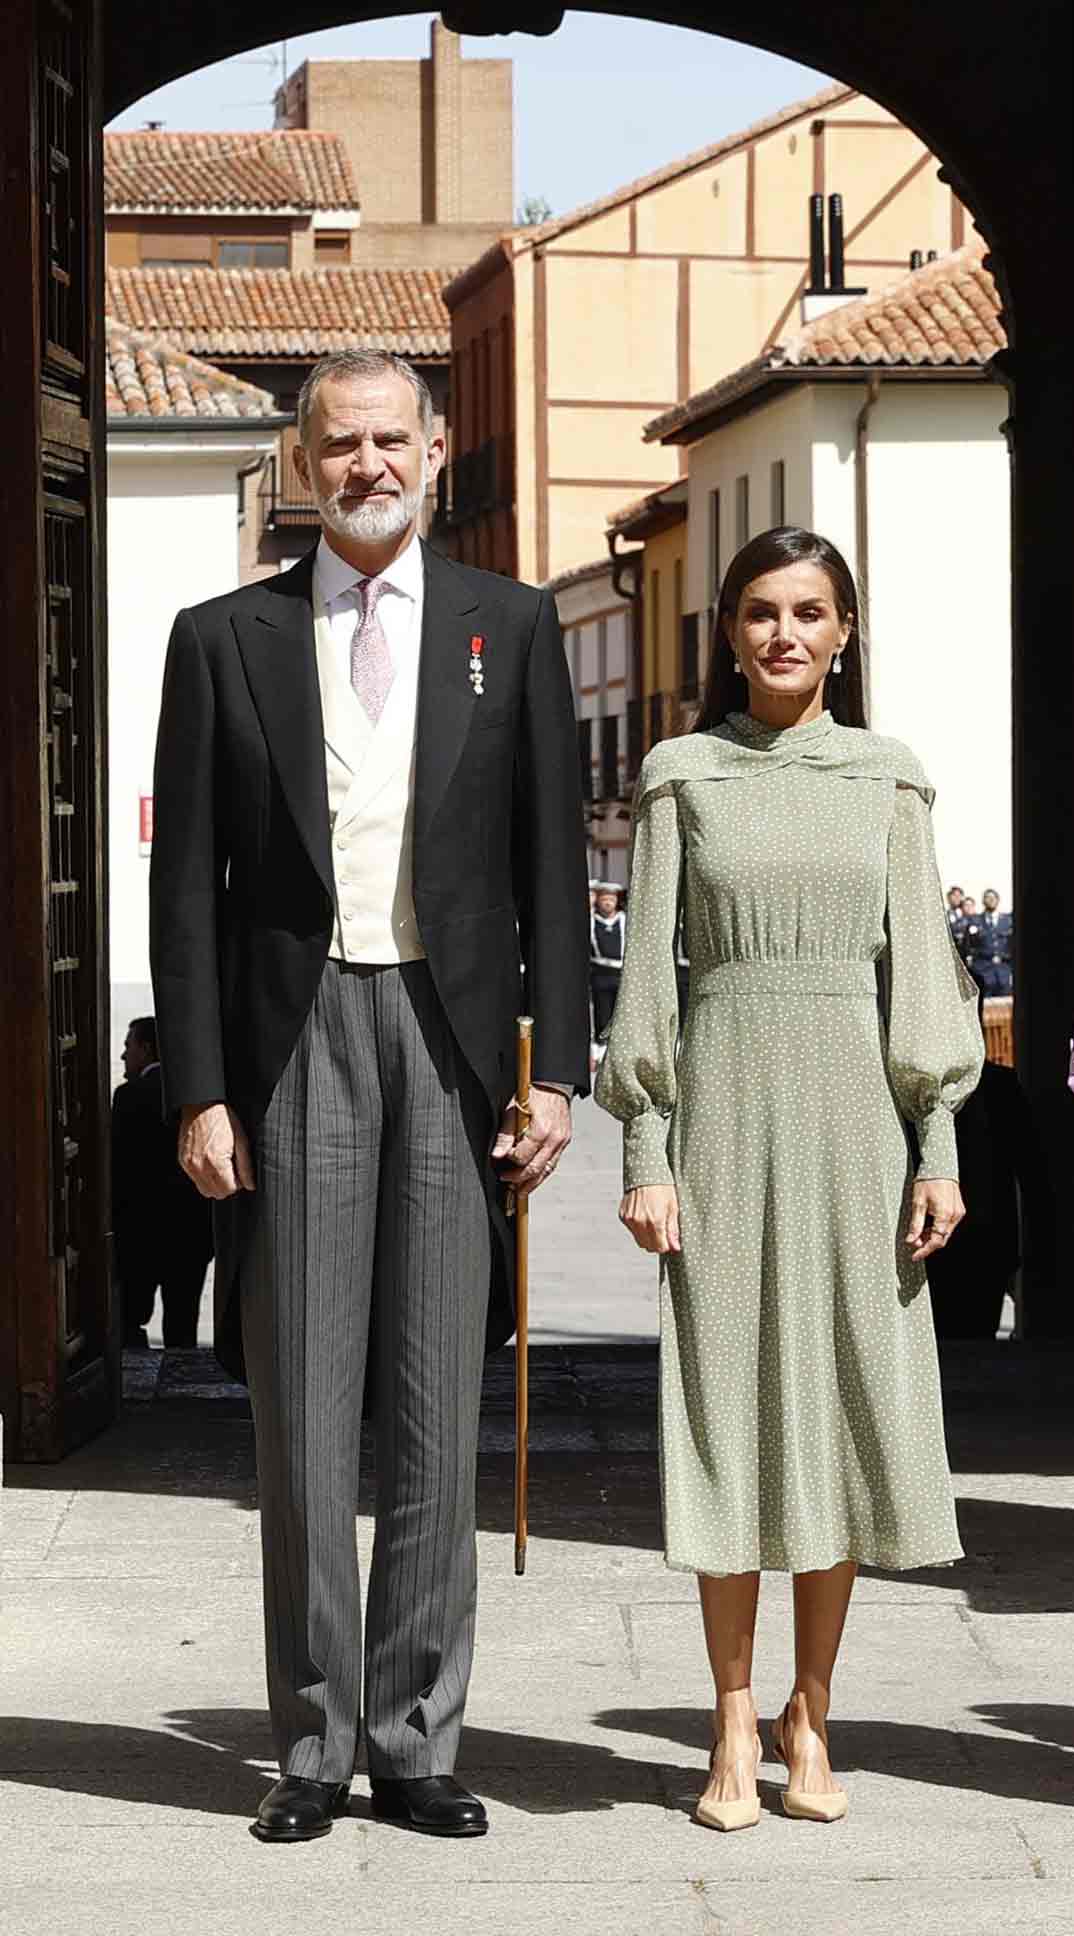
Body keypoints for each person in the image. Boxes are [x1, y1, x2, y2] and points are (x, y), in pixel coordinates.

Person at [150, 349, 590, 1845]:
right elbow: (183, 892)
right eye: (339, 444)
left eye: (391, 439)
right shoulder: (222, 638)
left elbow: (548, 861)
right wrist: (199, 1089)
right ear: (300, 459)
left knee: (429, 1406)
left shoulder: (511, 628)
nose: (368, 466)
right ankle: (313, 1742)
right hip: (291, 1044)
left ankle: (416, 1737)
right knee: (301, 1419)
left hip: (451, 1039)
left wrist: (564, 1073)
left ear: (438, 447)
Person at [596, 525, 983, 1832]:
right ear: (726, 632)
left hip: (857, 1127)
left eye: (808, 612)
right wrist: (645, 1148)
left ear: (843, 631)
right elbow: (648, 976)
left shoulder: (888, 779)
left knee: (835, 1416)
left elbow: (923, 973)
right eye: (759, 612)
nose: (783, 635)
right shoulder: (679, 773)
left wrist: (936, 1143)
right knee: (725, 1411)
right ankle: (725, 1719)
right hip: (721, 1118)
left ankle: (809, 1711)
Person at [928, 981, 1041, 1337]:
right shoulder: (1002, 1086)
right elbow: (1032, 1172)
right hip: (984, 1242)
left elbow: (1032, 1170)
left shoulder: (919, 1090)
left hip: (954, 1244)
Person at [111, 1016, 212, 1349]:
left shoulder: (128, 1096)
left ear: (147, 1048)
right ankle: (184, 1392)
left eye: (128, 1046)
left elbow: (119, 1167)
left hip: (140, 1234)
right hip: (191, 1233)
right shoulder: (196, 1098)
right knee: (183, 1324)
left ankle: (128, 1394)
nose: (124, 1056)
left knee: (129, 1320)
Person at [590, 882, 626, 1046]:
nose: (607, 903)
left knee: (622, 1014)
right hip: (601, 974)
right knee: (602, 1013)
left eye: (611, 899)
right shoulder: (592, 921)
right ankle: (601, 1045)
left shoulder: (624, 921)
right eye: (604, 899)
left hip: (621, 974)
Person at [970, 888, 1013, 995]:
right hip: (984, 969)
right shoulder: (975, 920)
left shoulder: (1008, 920)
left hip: (1003, 970)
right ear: (983, 901)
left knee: (1005, 1005)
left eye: (993, 898)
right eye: (988, 898)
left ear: (998, 900)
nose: (991, 900)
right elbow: (970, 944)